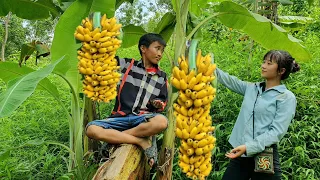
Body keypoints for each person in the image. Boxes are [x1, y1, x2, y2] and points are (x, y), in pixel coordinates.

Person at [86, 33, 169, 167]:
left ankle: (113, 140)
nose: (160, 53)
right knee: (92, 129)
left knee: (161, 122)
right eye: (157, 48)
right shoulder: (127, 65)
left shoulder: (162, 77)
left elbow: (162, 101)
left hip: (142, 119)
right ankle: (141, 141)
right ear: (143, 48)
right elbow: (105, 60)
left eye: (162, 50)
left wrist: (157, 104)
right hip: (120, 117)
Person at [216, 50, 300, 180]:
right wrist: (209, 66)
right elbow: (230, 81)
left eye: (269, 63)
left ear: (281, 71)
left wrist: (248, 147)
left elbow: (276, 132)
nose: (263, 66)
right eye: (263, 62)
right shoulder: (253, 88)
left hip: (264, 155)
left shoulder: (285, 97)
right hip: (240, 154)